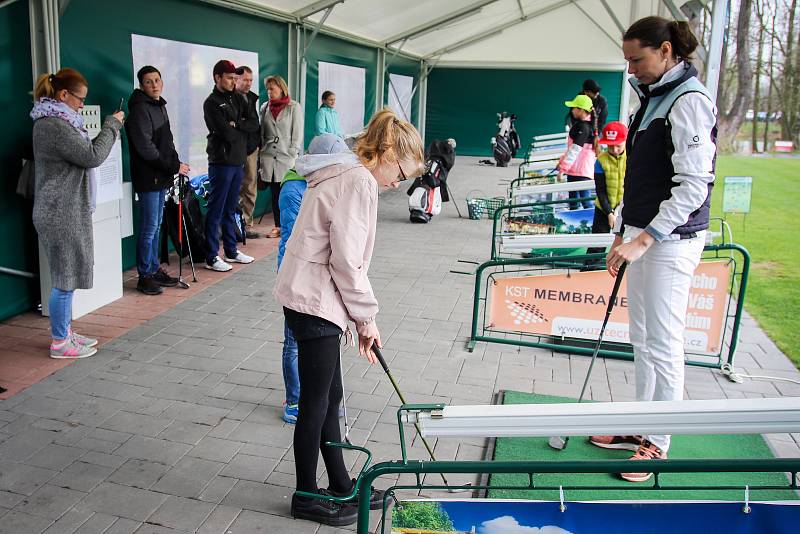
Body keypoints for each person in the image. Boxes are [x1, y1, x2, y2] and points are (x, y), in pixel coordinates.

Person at [274, 108, 425, 526]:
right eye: (400, 172)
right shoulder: (358, 179)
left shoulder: (348, 169)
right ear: (387, 151)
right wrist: (367, 319)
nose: (399, 182)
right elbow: (347, 262)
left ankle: (341, 484)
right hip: (314, 300)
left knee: (330, 398)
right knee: (316, 403)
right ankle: (306, 494)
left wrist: (358, 318)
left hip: (312, 295)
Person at [594, 16, 717, 483]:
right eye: (626, 60)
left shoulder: (690, 100)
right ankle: (640, 424)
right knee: (643, 338)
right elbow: (641, 177)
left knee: (664, 342)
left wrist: (644, 239)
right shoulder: (650, 100)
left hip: (670, 241)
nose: (631, 69)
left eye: (637, 59)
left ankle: (658, 442)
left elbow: (693, 186)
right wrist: (622, 230)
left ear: (666, 51)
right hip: (643, 235)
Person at [30, 68, 124, 359]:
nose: (82, 105)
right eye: (79, 99)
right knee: (64, 279)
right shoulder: (53, 126)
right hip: (60, 211)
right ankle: (60, 342)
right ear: (63, 95)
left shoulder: (58, 120)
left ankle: (65, 332)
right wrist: (112, 125)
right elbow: (91, 156)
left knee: (67, 276)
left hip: (64, 209)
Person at [277, 133, 350, 425]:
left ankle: (326, 400)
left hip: (320, 278)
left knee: (325, 344)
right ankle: (295, 400)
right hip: (298, 280)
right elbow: (293, 241)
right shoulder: (295, 188)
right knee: (293, 342)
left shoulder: (322, 183)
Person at [126, 65, 190, 295]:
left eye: (156, 80)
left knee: (156, 226)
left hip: (161, 177)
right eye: (148, 82)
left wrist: (178, 164)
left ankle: (153, 270)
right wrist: (174, 166)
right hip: (148, 178)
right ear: (141, 86)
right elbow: (147, 149)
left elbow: (166, 142)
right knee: (149, 228)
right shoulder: (140, 110)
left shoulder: (159, 105)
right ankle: (144, 276)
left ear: (162, 82)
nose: (154, 85)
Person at [202, 60, 259, 271]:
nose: (233, 82)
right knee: (216, 209)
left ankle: (231, 251)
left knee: (230, 208)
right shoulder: (211, 103)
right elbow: (225, 133)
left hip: (238, 161)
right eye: (229, 78)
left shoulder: (238, 98)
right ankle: (211, 256)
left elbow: (254, 124)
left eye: (235, 78)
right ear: (217, 77)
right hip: (221, 163)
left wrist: (239, 125)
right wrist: (237, 129)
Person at [259, 75, 303, 239]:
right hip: (269, 158)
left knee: (286, 193)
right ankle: (278, 226)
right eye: (268, 89)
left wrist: (293, 151)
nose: (269, 92)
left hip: (286, 157)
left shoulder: (294, 107)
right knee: (274, 194)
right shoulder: (264, 108)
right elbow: (262, 132)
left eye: (273, 89)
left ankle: (289, 225)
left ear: (281, 88)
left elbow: (297, 133)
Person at [587, 121, 628, 259]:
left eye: (618, 146)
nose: (615, 150)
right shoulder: (600, 160)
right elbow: (601, 190)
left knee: (624, 245)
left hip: (626, 208)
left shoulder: (632, 157)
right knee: (596, 247)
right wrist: (610, 213)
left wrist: (619, 211)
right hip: (603, 209)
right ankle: (589, 272)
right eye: (611, 146)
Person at [235, 65, 262, 239]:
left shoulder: (251, 98)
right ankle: (234, 225)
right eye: (245, 79)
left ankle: (246, 224)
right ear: (235, 79)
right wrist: (242, 123)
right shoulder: (230, 98)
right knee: (236, 187)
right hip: (236, 149)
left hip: (252, 148)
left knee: (250, 186)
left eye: (251, 80)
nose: (248, 83)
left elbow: (254, 124)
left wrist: (239, 124)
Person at [558, 94, 597, 210]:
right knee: (574, 204)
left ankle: (592, 227)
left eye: (574, 107)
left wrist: (562, 169)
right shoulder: (584, 126)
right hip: (575, 170)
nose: (572, 110)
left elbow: (575, 150)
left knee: (586, 204)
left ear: (580, 110)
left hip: (581, 172)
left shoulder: (583, 128)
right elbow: (572, 149)